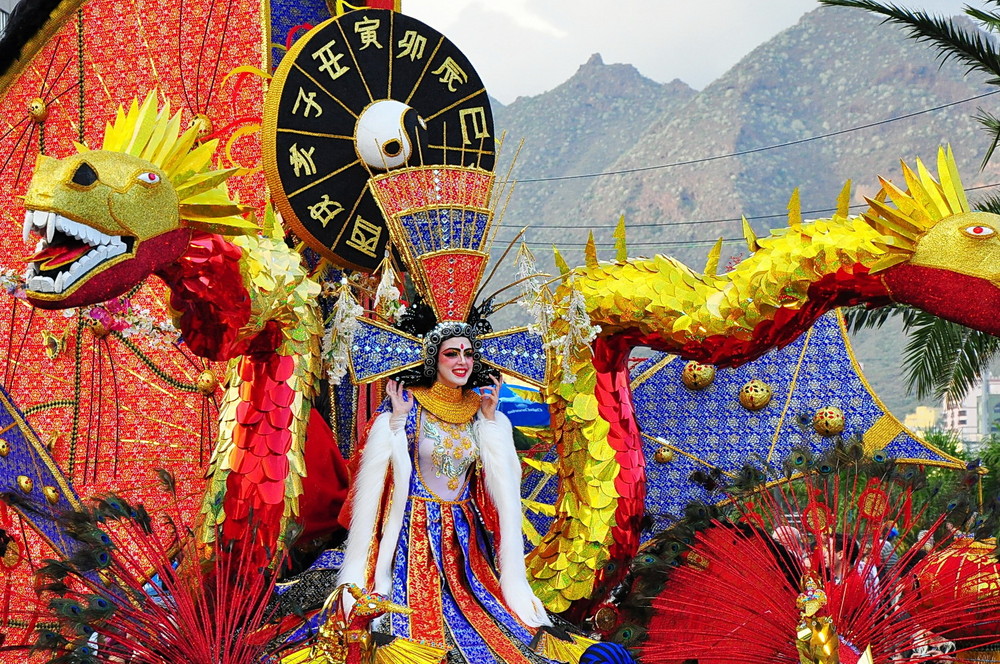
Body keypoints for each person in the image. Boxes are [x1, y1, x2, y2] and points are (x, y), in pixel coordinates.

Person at [336, 320, 558, 664]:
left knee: (491, 620)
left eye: (468, 354)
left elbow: (495, 482)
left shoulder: (478, 409)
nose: (462, 362)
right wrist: (394, 424)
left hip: (464, 538)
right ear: (433, 360)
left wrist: (490, 423)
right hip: (412, 532)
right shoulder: (409, 405)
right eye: (451, 353)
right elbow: (375, 471)